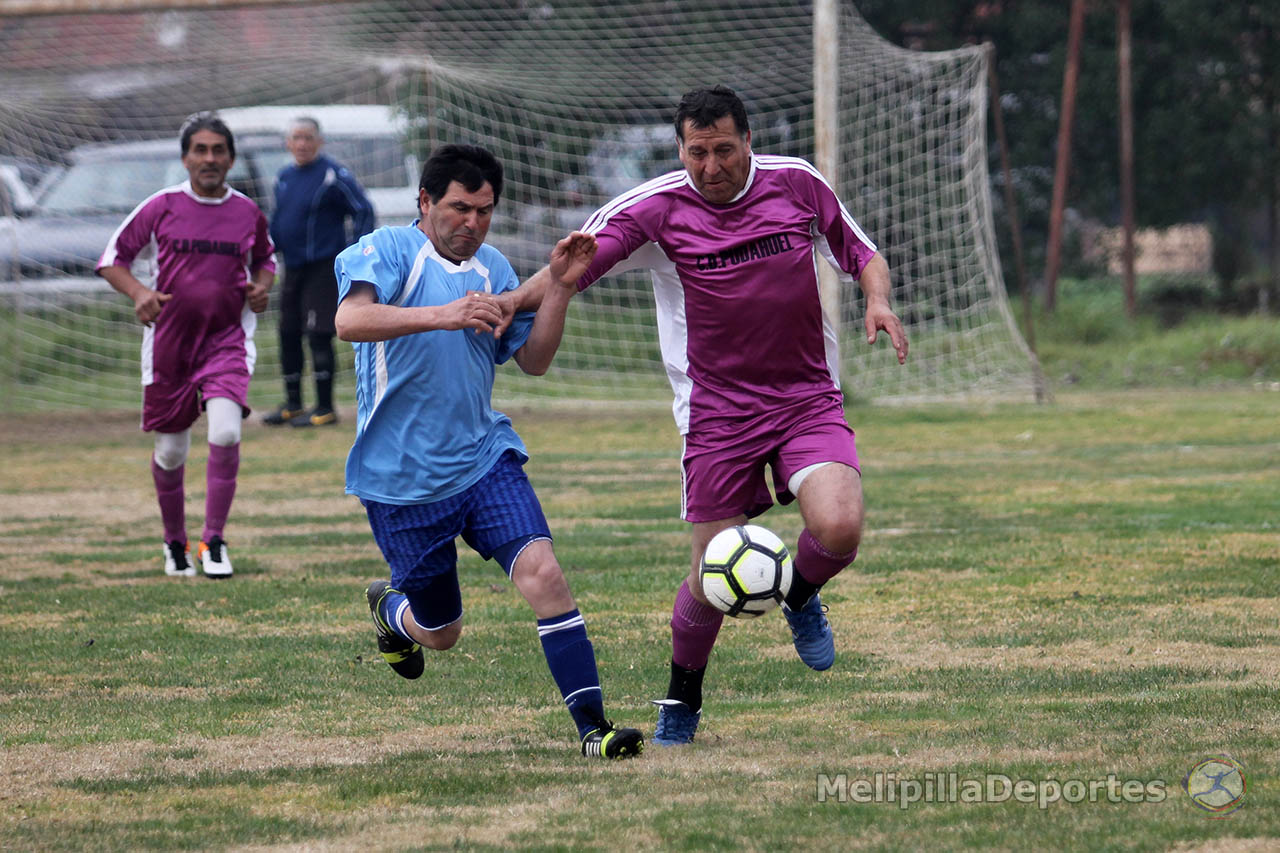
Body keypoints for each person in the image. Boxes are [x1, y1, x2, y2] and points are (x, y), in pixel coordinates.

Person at [536, 85, 909, 745]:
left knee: (841, 524)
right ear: (681, 149)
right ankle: (683, 698)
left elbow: (862, 253)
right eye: (697, 153)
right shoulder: (655, 207)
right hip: (716, 414)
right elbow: (569, 270)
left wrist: (877, 298)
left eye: (724, 151)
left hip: (804, 397)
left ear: (749, 144)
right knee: (710, 573)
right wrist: (498, 304)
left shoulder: (796, 184)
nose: (711, 167)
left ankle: (795, 594)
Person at [334, 143, 644, 760]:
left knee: (545, 575)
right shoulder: (387, 250)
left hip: (483, 459)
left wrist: (557, 287)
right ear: (425, 203)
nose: (471, 223)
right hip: (402, 481)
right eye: (458, 208)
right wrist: (442, 315)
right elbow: (350, 321)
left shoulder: (496, 268)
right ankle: (392, 615)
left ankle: (593, 729)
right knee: (442, 634)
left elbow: (534, 361)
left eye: (484, 210)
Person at [98, 112, 276, 580]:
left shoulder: (247, 213)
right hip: (169, 347)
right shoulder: (160, 206)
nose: (210, 158)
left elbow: (266, 260)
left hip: (226, 342)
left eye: (219, 150)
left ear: (231, 158)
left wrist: (260, 288)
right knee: (172, 453)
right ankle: (174, 543)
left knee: (225, 433)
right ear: (185, 158)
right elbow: (112, 259)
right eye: (201, 149)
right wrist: (140, 294)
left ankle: (212, 541)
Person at [262, 116, 375, 428]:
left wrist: (355, 253)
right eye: (296, 138)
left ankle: (324, 408)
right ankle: (293, 404)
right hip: (293, 266)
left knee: (318, 333)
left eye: (308, 138)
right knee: (287, 331)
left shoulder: (333, 175)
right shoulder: (284, 176)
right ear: (288, 143)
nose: (302, 144)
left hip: (324, 266)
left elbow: (363, 210)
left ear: (319, 142)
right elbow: (279, 221)